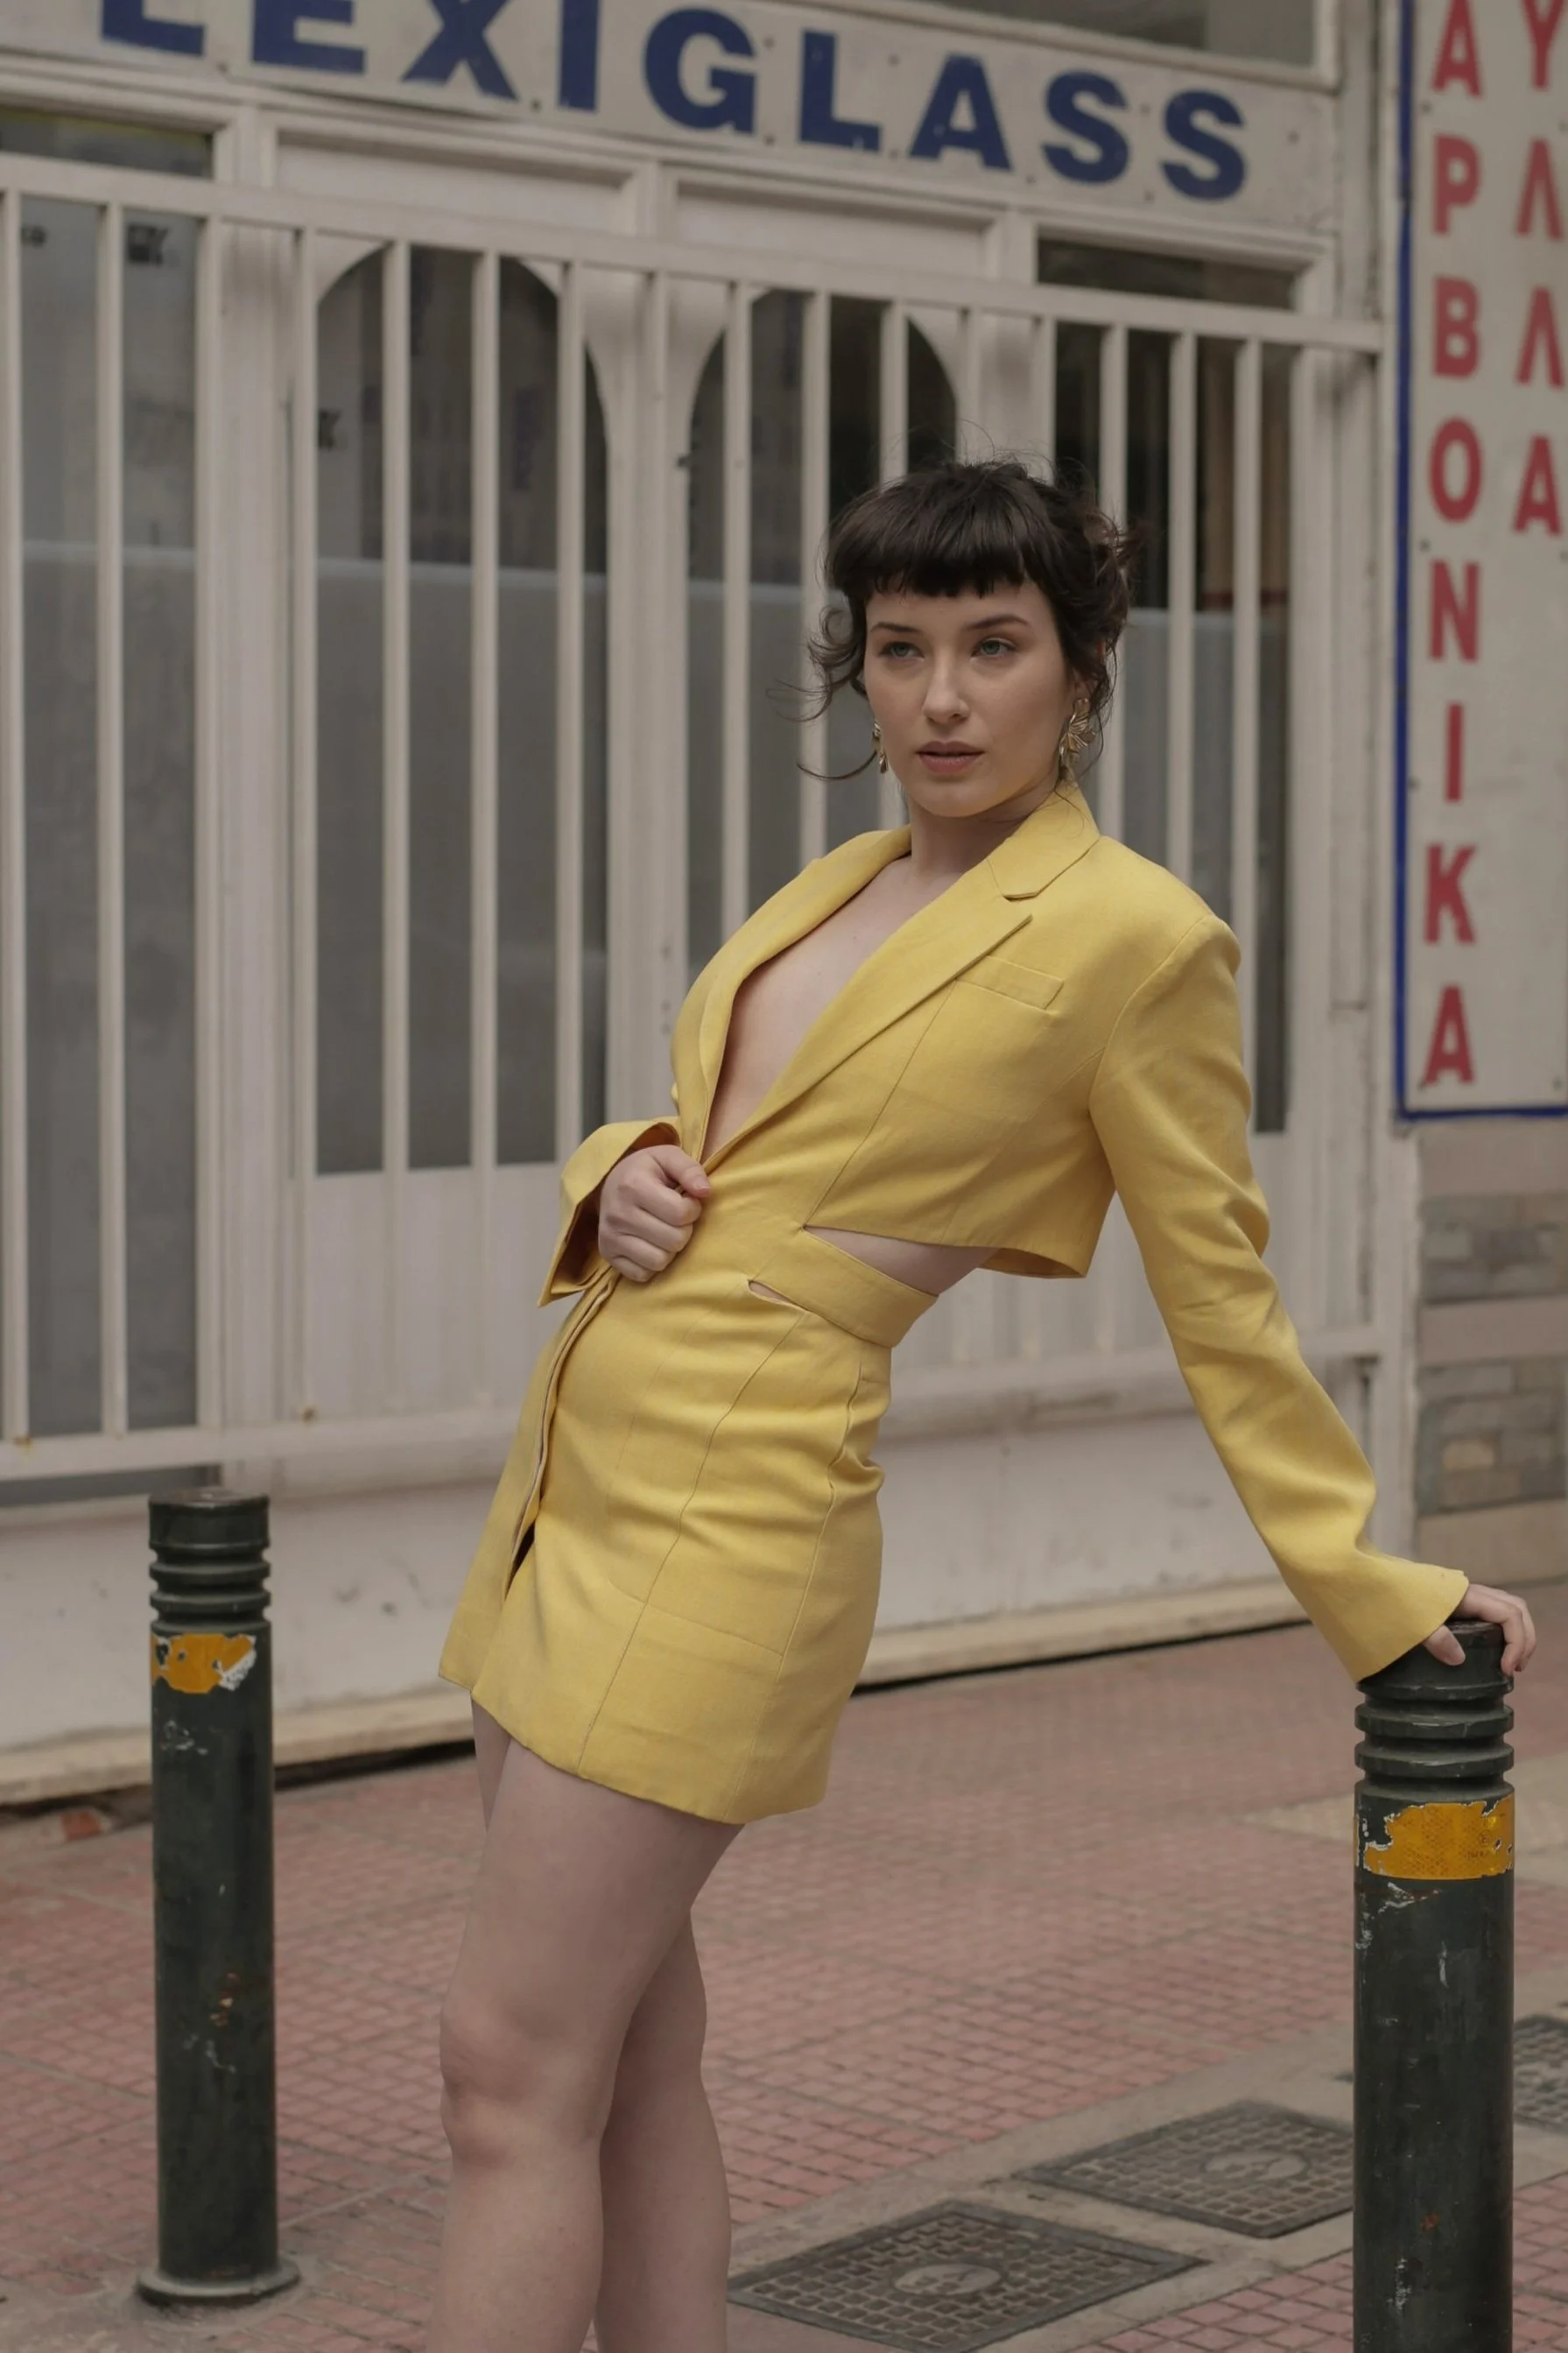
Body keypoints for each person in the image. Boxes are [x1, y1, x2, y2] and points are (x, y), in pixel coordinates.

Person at [427, 459, 1536, 2353]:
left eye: (994, 646)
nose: (941, 696)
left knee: (503, 2074)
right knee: (616, 2055)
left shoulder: (1132, 937)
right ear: (854, 671)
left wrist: (1361, 1575)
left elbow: (1225, 1299)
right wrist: (612, 1164)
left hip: (728, 1522)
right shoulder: (840, 886)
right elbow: (738, 1147)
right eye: (900, 647)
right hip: (566, 1485)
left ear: (1082, 671)